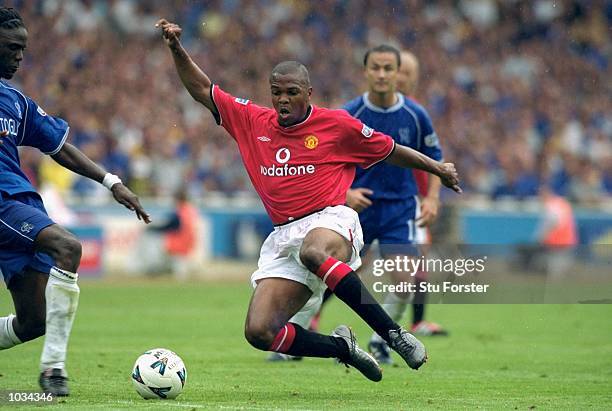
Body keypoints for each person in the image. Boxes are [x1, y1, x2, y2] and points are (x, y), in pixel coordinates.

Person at [157, 19, 460, 382]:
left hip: (332, 219)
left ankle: (393, 334)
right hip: (284, 235)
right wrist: (176, 48)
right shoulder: (252, 121)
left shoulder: (337, 124)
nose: (283, 99)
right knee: (260, 332)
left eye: (292, 92)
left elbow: (392, 150)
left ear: (308, 92)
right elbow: (203, 88)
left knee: (315, 252)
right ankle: (342, 348)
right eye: (277, 92)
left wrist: (437, 169)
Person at [0, 7, 150, 396]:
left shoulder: (16, 102)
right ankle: (54, 371)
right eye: (13, 47)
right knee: (68, 247)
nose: (20, 56)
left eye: (24, 49)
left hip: (22, 202)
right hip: (2, 203)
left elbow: (59, 147)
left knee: (34, 321)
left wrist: (111, 181)